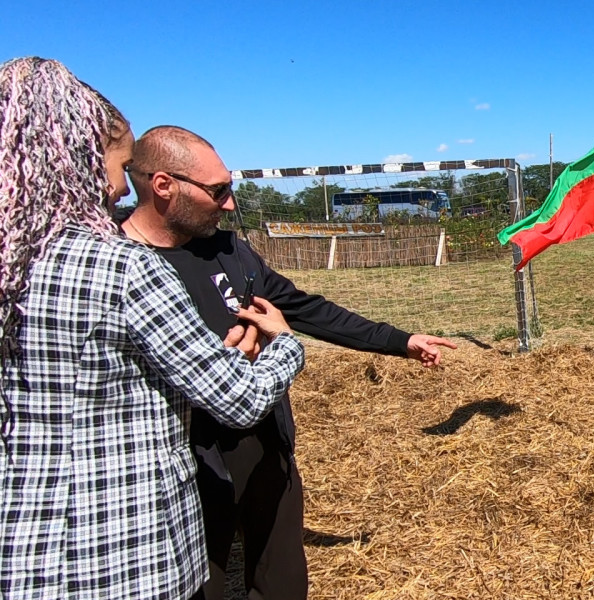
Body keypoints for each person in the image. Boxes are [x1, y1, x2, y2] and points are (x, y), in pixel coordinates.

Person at [0, 58, 305, 600]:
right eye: (118, 165)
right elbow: (237, 399)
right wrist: (284, 345)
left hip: (21, 550)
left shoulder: (11, 269)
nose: (121, 187)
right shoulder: (120, 266)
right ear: (72, 156)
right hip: (124, 548)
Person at [120, 125, 459, 600]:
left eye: (230, 189)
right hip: (188, 463)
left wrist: (399, 341)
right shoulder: (119, 266)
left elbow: (303, 308)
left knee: (281, 581)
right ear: (163, 185)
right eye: (218, 192)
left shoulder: (228, 248)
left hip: (264, 439)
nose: (231, 204)